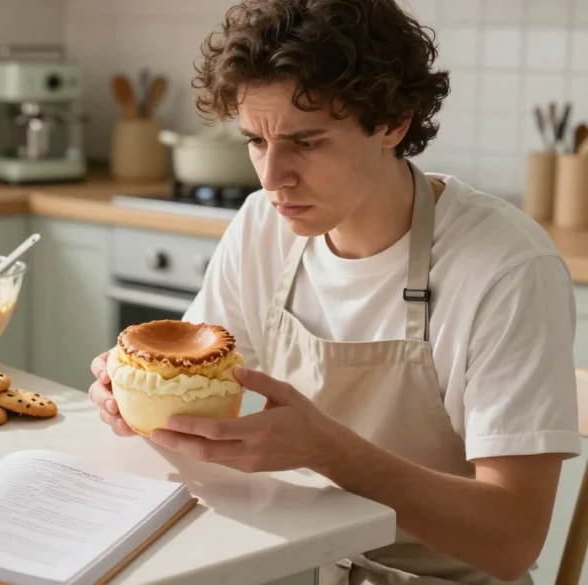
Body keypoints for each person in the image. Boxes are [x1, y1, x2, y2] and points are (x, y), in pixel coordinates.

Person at [88, 1, 581, 584]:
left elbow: (513, 539)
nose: (272, 179)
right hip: (290, 565)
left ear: (394, 122)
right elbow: (193, 390)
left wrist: (329, 450)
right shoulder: (262, 224)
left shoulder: (505, 267)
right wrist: (139, 399)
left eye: (307, 142)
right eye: (254, 141)